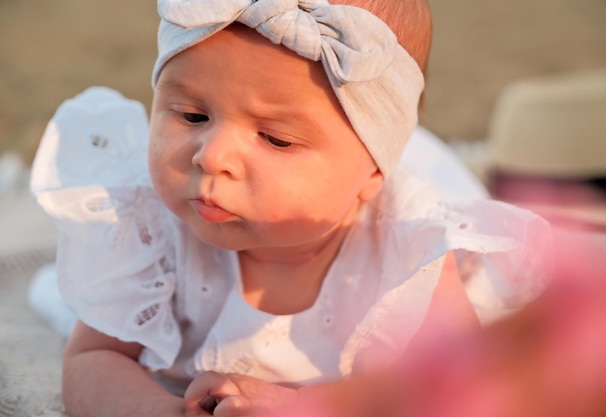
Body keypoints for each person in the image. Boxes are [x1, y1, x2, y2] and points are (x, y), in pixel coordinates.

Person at [30, 0, 550, 416]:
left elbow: (449, 391)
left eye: (276, 140)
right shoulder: (148, 226)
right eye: (191, 115)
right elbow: (94, 357)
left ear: (372, 173)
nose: (211, 156)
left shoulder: (412, 251)